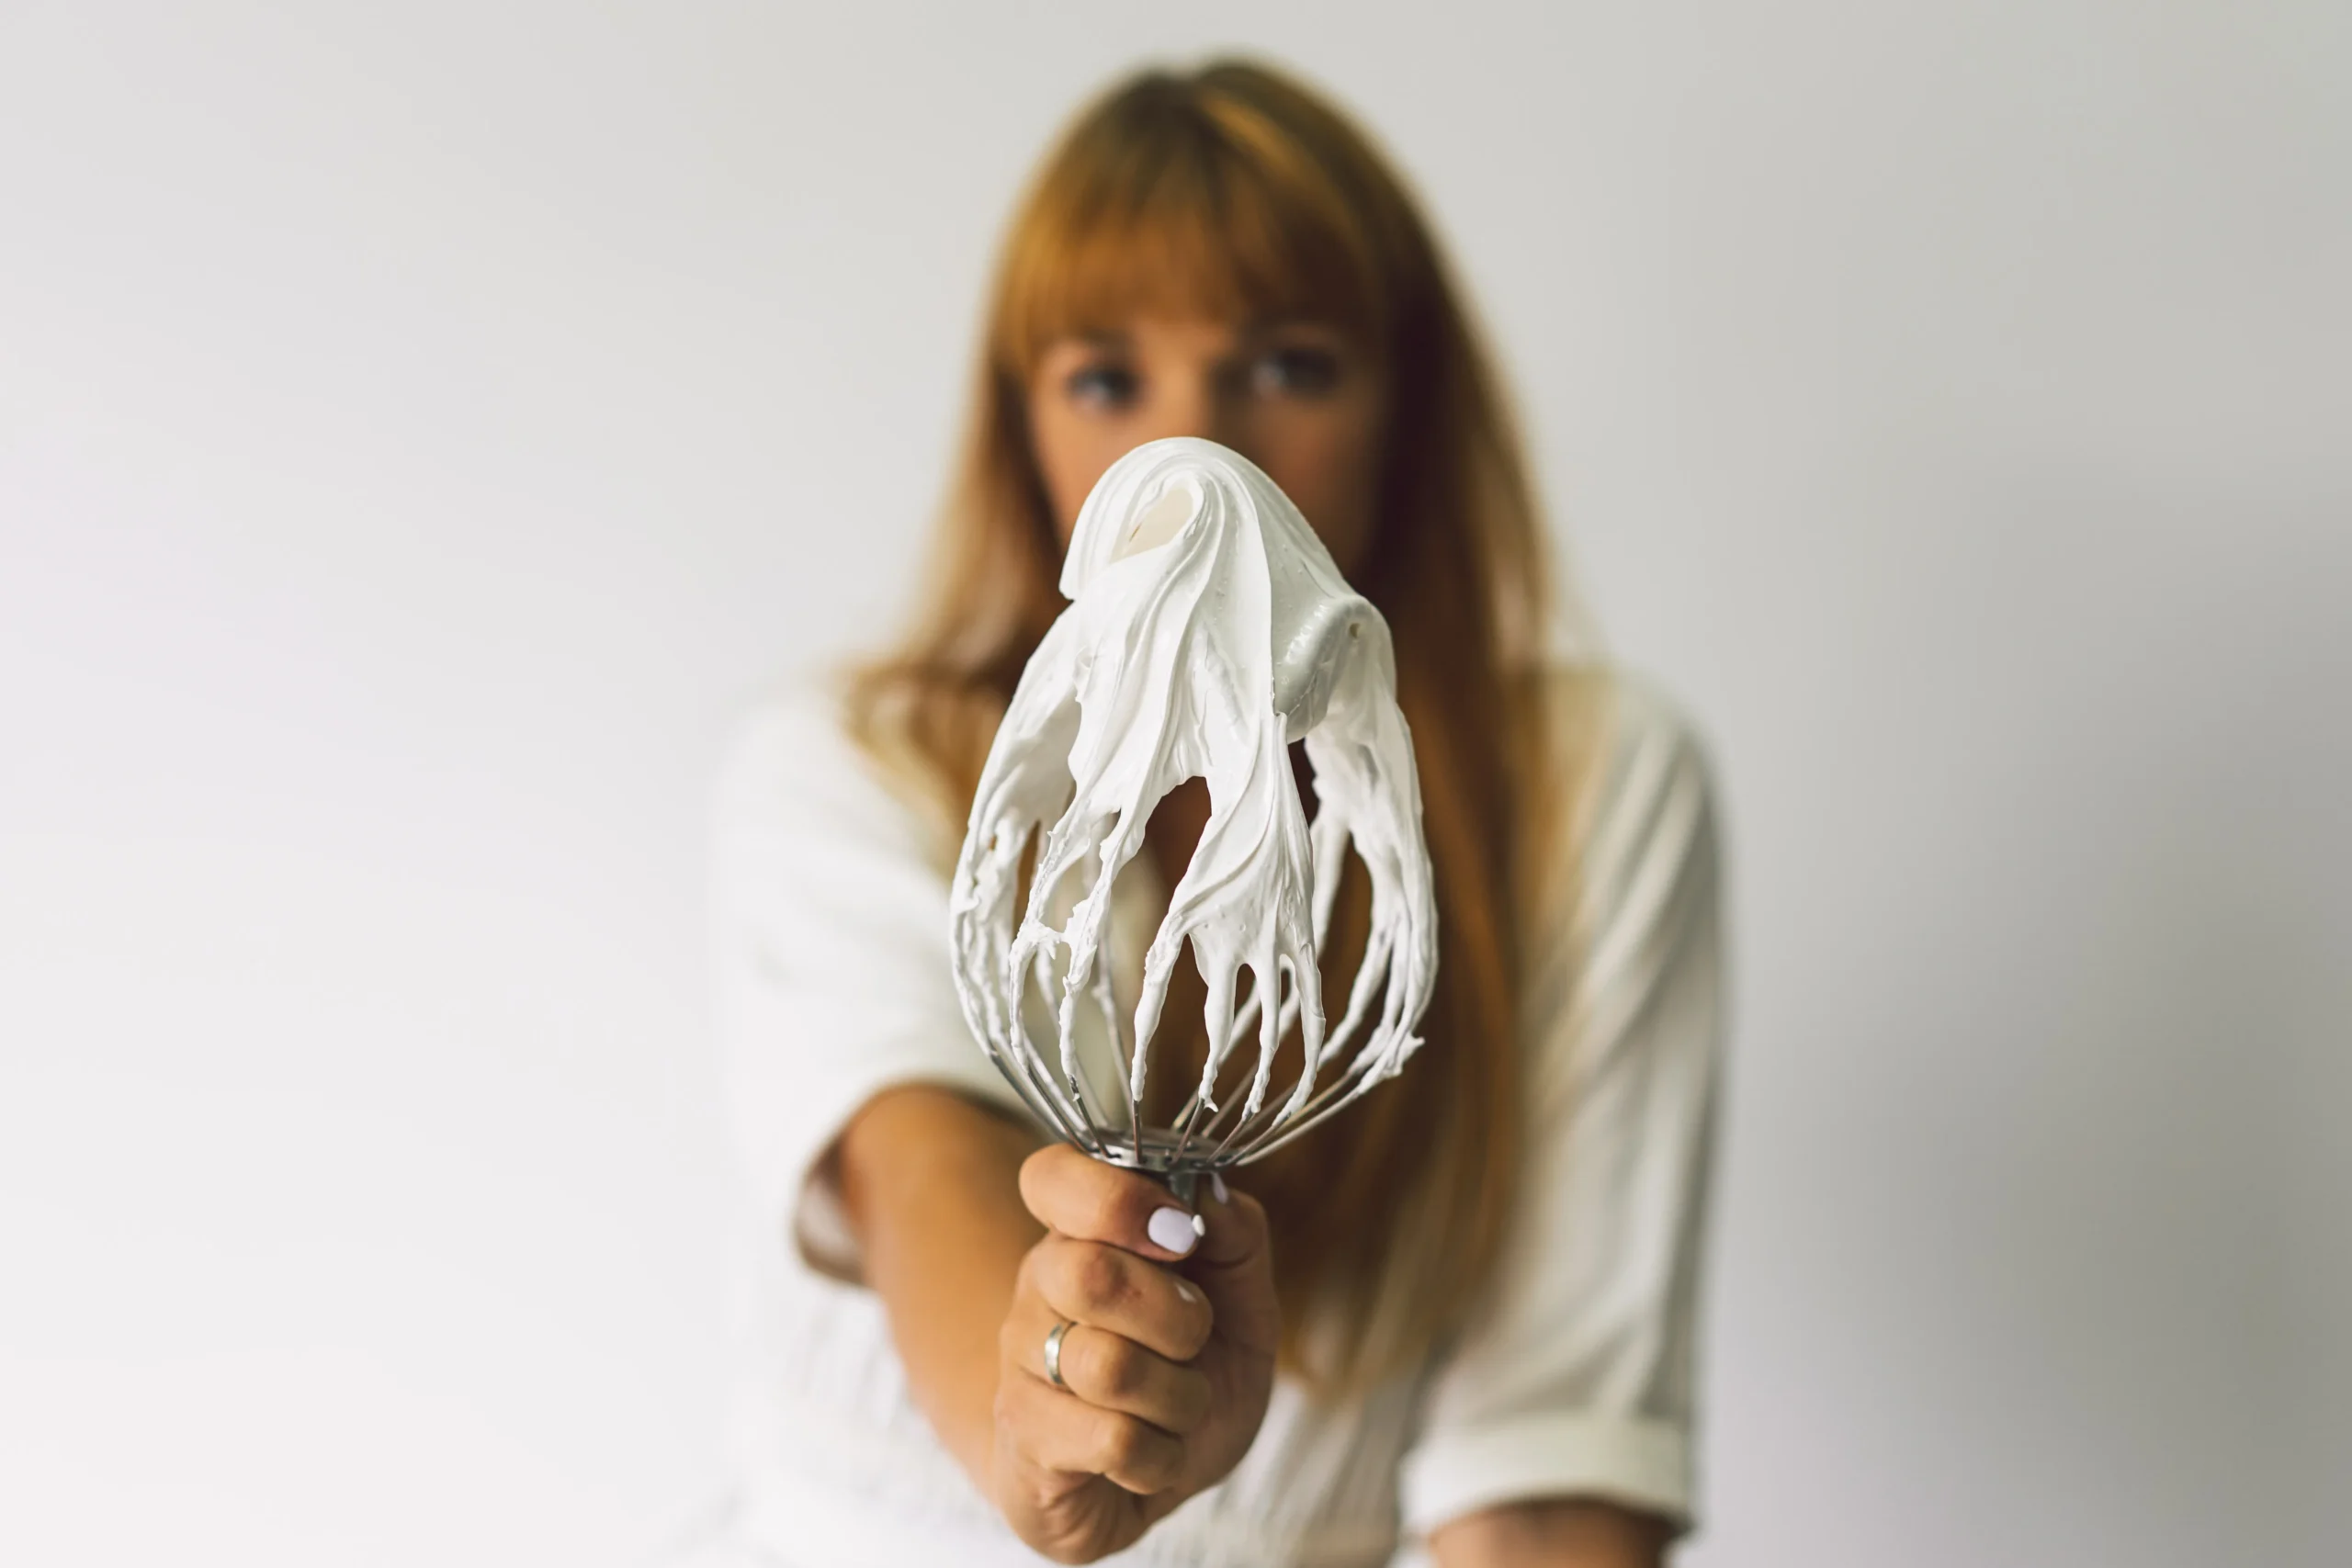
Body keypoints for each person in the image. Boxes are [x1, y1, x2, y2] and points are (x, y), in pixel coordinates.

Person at [693, 57, 1726, 1568]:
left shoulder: (1589, 792)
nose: (1201, 452)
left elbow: (1551, 1487)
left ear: (1407, 411)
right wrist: (1051, 1416)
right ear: (1019, 428)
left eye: (1291, 364)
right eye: (1107, 377)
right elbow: (921, 1179)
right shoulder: (843, 772)